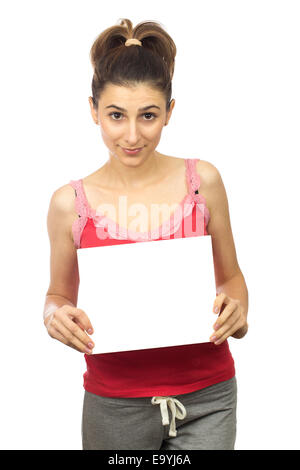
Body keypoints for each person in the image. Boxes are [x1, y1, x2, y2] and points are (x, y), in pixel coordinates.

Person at [43, 18, 249, 450]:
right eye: (116, 115)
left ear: (170, 112)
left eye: (149, 116)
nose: (132, 135)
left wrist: (237, 311)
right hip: (114, 404)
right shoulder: (70, 204)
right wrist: (54, 317)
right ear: (93, 110)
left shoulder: (202, 182)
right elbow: (59, 295)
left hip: (209, 396)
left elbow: (231, 279)